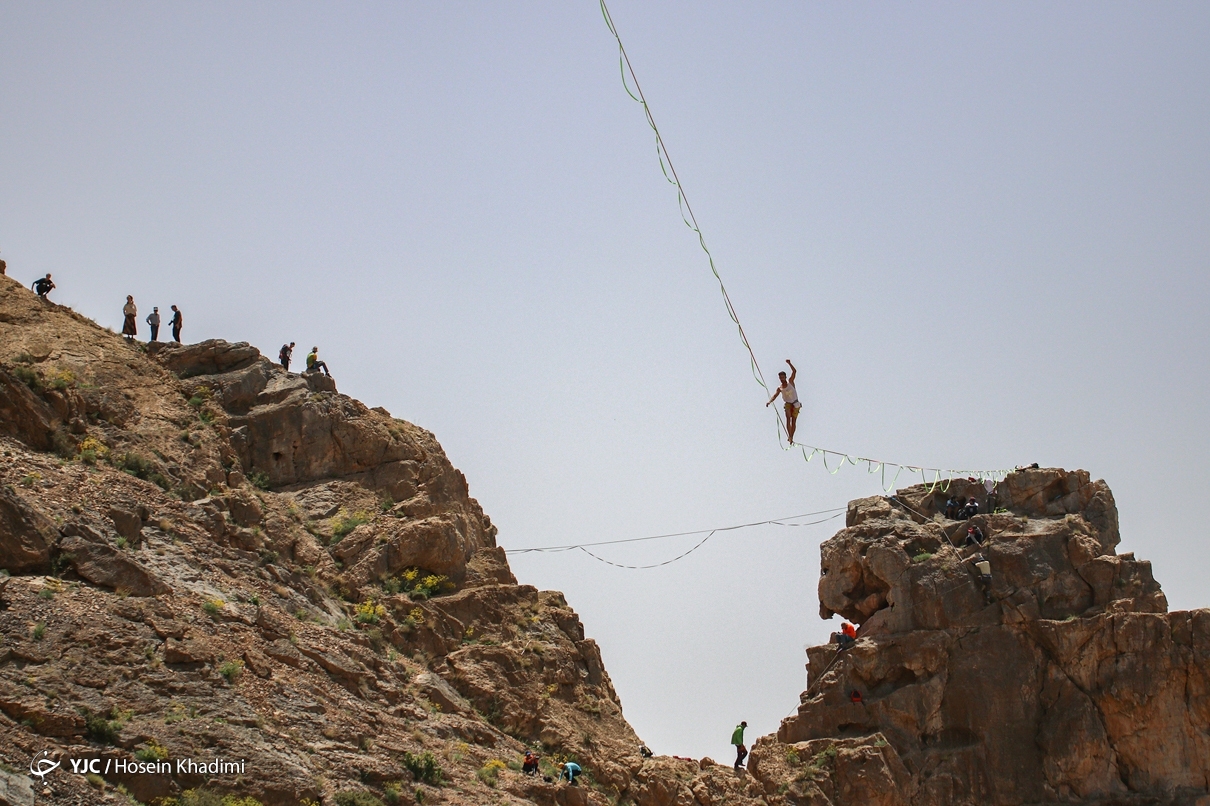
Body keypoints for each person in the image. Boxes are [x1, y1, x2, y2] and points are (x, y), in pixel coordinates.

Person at [765, 359, 801, 445]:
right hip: (788, 404)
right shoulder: (780, 388)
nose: (781, 379)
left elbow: (794, 371)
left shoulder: (790, 382)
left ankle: (791, 436)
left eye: (783, 377)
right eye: (780, 378)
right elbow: (775, 395)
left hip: (795, 403)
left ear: (785, 377)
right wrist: (769, 402)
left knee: (794, 421)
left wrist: (789, 363)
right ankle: (789, 436)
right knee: (788, 418)